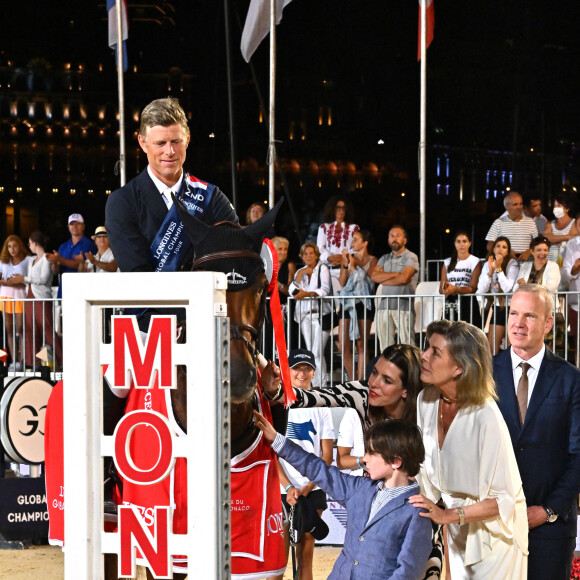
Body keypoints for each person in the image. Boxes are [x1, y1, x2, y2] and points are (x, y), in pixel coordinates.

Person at [410, 319, 528, 578]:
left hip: (496, 538)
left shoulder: (486, 416)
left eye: (435, 352)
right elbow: (424, 472)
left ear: (458, 368)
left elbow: (503, 500)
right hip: (456, 527)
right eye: (427, 347)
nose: (424, 355)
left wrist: (447, 515)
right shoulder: (425, 400)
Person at [254, 412, 433, 580]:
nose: (365, 458)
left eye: (372, 453)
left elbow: (408, 572)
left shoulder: (418, 512)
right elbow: (317, 469)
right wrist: (278, 441)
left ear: (396, 461)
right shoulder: (360, 488)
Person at [493, 284, 580, 579]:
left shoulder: (571, 380)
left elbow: (578, 455)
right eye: (513, 313)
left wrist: (548, 510)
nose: (517, 323)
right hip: (493, 526)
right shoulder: (484, 374)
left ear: (548, 324)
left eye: (529, 315)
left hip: (549, 529)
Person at [105, 97, 238, 275]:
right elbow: (136, 273)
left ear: (188, 138)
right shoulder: (122, 202)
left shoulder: (212, 197)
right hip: (150, 303)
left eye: (176, 141)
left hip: (204, 302)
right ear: (142, 143)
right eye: (160, 143)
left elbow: (235, 253)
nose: (170, 152)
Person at [273, 349, 334, 580]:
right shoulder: (279, 405)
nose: (302, 372)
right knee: (278, 560)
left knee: (305, 556)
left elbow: (326, 456)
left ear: (314, 372)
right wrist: (288, 487)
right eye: (297, 368)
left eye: (307, 368)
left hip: (312, 489)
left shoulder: (321, 407)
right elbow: (271, 454)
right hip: (281, 490)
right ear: (287, 372)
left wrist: (306, 488)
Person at [8, 231, 61, 370]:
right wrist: (19, 280)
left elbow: (43, 279)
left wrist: (24, 279)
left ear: (35, 243)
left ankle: (61, 360)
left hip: (41, 298)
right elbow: (30, 280)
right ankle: (33, 363)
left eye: (30, 243)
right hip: (30, 298)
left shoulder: (46, 258)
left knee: (47, 329)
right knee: (30, 330)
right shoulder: (32, 259)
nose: (29, 245)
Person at [336, 229, 377, 381]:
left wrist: (353, 261)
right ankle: (353, 380)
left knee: (361, 345)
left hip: (363, 303)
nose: (352, 242)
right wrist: (345, 264)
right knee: (343, 344)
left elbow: (371, 277)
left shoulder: (373, 260)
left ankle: (362, 381)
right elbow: (342, 282)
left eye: (356, 239)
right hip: (347, 303)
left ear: (365, 243)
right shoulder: (347, 258)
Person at [370, 225, 419, 349]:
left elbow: (404, 278)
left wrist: (384, 278)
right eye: (391, 236)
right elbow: (374, 277)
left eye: (398, 235)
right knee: (385, 347)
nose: (394, 238)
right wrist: (396, 275)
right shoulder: (384, 258)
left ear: (405, 240)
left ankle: (411, 369)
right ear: (388, 240)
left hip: (403, 305)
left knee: (408, 345)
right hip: (384, 306)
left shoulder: (411, 256)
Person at [291, 242, 332, 388]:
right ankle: (314, 385)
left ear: (316, 254)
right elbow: (292, 292)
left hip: (320, 315)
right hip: (304, 316)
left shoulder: (323, 269)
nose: (308, 256)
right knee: (311, 352)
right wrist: (301, 274)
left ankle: (321, 386)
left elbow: (325, 290)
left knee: (317, 352)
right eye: (305, 254)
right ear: (302, 256)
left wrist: (306, 294)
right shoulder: (300, 272)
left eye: (311, 253)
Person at [476, 236, 520, 354]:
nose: (500, 249)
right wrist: (490, 272)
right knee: (492, 348)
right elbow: (481, 290)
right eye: (498, 246)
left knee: (512, 347)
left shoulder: (513, 264)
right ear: (493, 249)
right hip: (498, 307)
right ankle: (494, 372)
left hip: (512, 307)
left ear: (508, 250)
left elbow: (507, 289)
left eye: (504, 247)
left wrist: (499, 269)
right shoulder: (488, 264)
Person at [46, 213, 96, 298]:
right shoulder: (63, 246)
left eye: (78, 224)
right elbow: (55, 271)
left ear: (83, 226)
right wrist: (54, 262)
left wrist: (59, 259)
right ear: (68, 227)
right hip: (64, 288)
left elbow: (78, 264)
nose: (74, 226)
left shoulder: (89, 244)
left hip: (81, 288)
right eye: (72, 224)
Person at [316, 196, 359, 294]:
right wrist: (329, 258)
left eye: (344, 208)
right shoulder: (324, 227)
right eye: (338, 207)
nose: (341, 211)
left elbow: (356, 248)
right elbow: (319, 248)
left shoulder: (354, 228)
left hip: (346, 270)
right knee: (330, 302)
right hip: (328, 270)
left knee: (343, 303)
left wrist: (343, 257)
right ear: (332, 209)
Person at [439, 230, 483, 327]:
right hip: (451, 300)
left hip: (468, 301)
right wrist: (447, 289)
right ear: (455, 243)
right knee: (449, 333)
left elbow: (473, 287)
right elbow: (441, 288)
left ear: (469, 243)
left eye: (464, 241)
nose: (461, 244)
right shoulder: (447, 262)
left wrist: (457, 289)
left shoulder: (475, 261)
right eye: (458, 241)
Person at [0, 235, 30, 370]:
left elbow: (29, 278)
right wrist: (6, 282)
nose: (12, 249)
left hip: (19, 297)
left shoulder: (27, 260)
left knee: (21, 328)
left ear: (20, 246)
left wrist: (18, 281)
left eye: (15, 246)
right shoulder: (3, 261)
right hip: (5, 297)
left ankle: (23, 359)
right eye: (10, 246)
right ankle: (14, 361)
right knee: (9, 329)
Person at [485, 191, 538, 260]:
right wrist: (507, 251)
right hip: (505, 265)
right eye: (515, 204)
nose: (519, 207)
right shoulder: (499, 222)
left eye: (521, 204)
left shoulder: (530, 222)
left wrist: (529, 251)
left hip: (526, 265)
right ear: (507, 207)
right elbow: (489, 245)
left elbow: (538, 242)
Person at [542, 191, 577, 265]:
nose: (556, 208)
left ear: (567, 208)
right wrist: (567, 237)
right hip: (549, 264)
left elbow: (572, 243)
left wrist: (554, 239)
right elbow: (547, 239)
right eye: (555, 206)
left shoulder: (574, 223)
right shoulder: (549, 223)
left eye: (559, 206)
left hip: (565, 265)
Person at [561, 212, 580, 337]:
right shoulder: (571, 245)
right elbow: (564, 275)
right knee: (578, 341)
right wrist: (574, 270)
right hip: (576, 304)